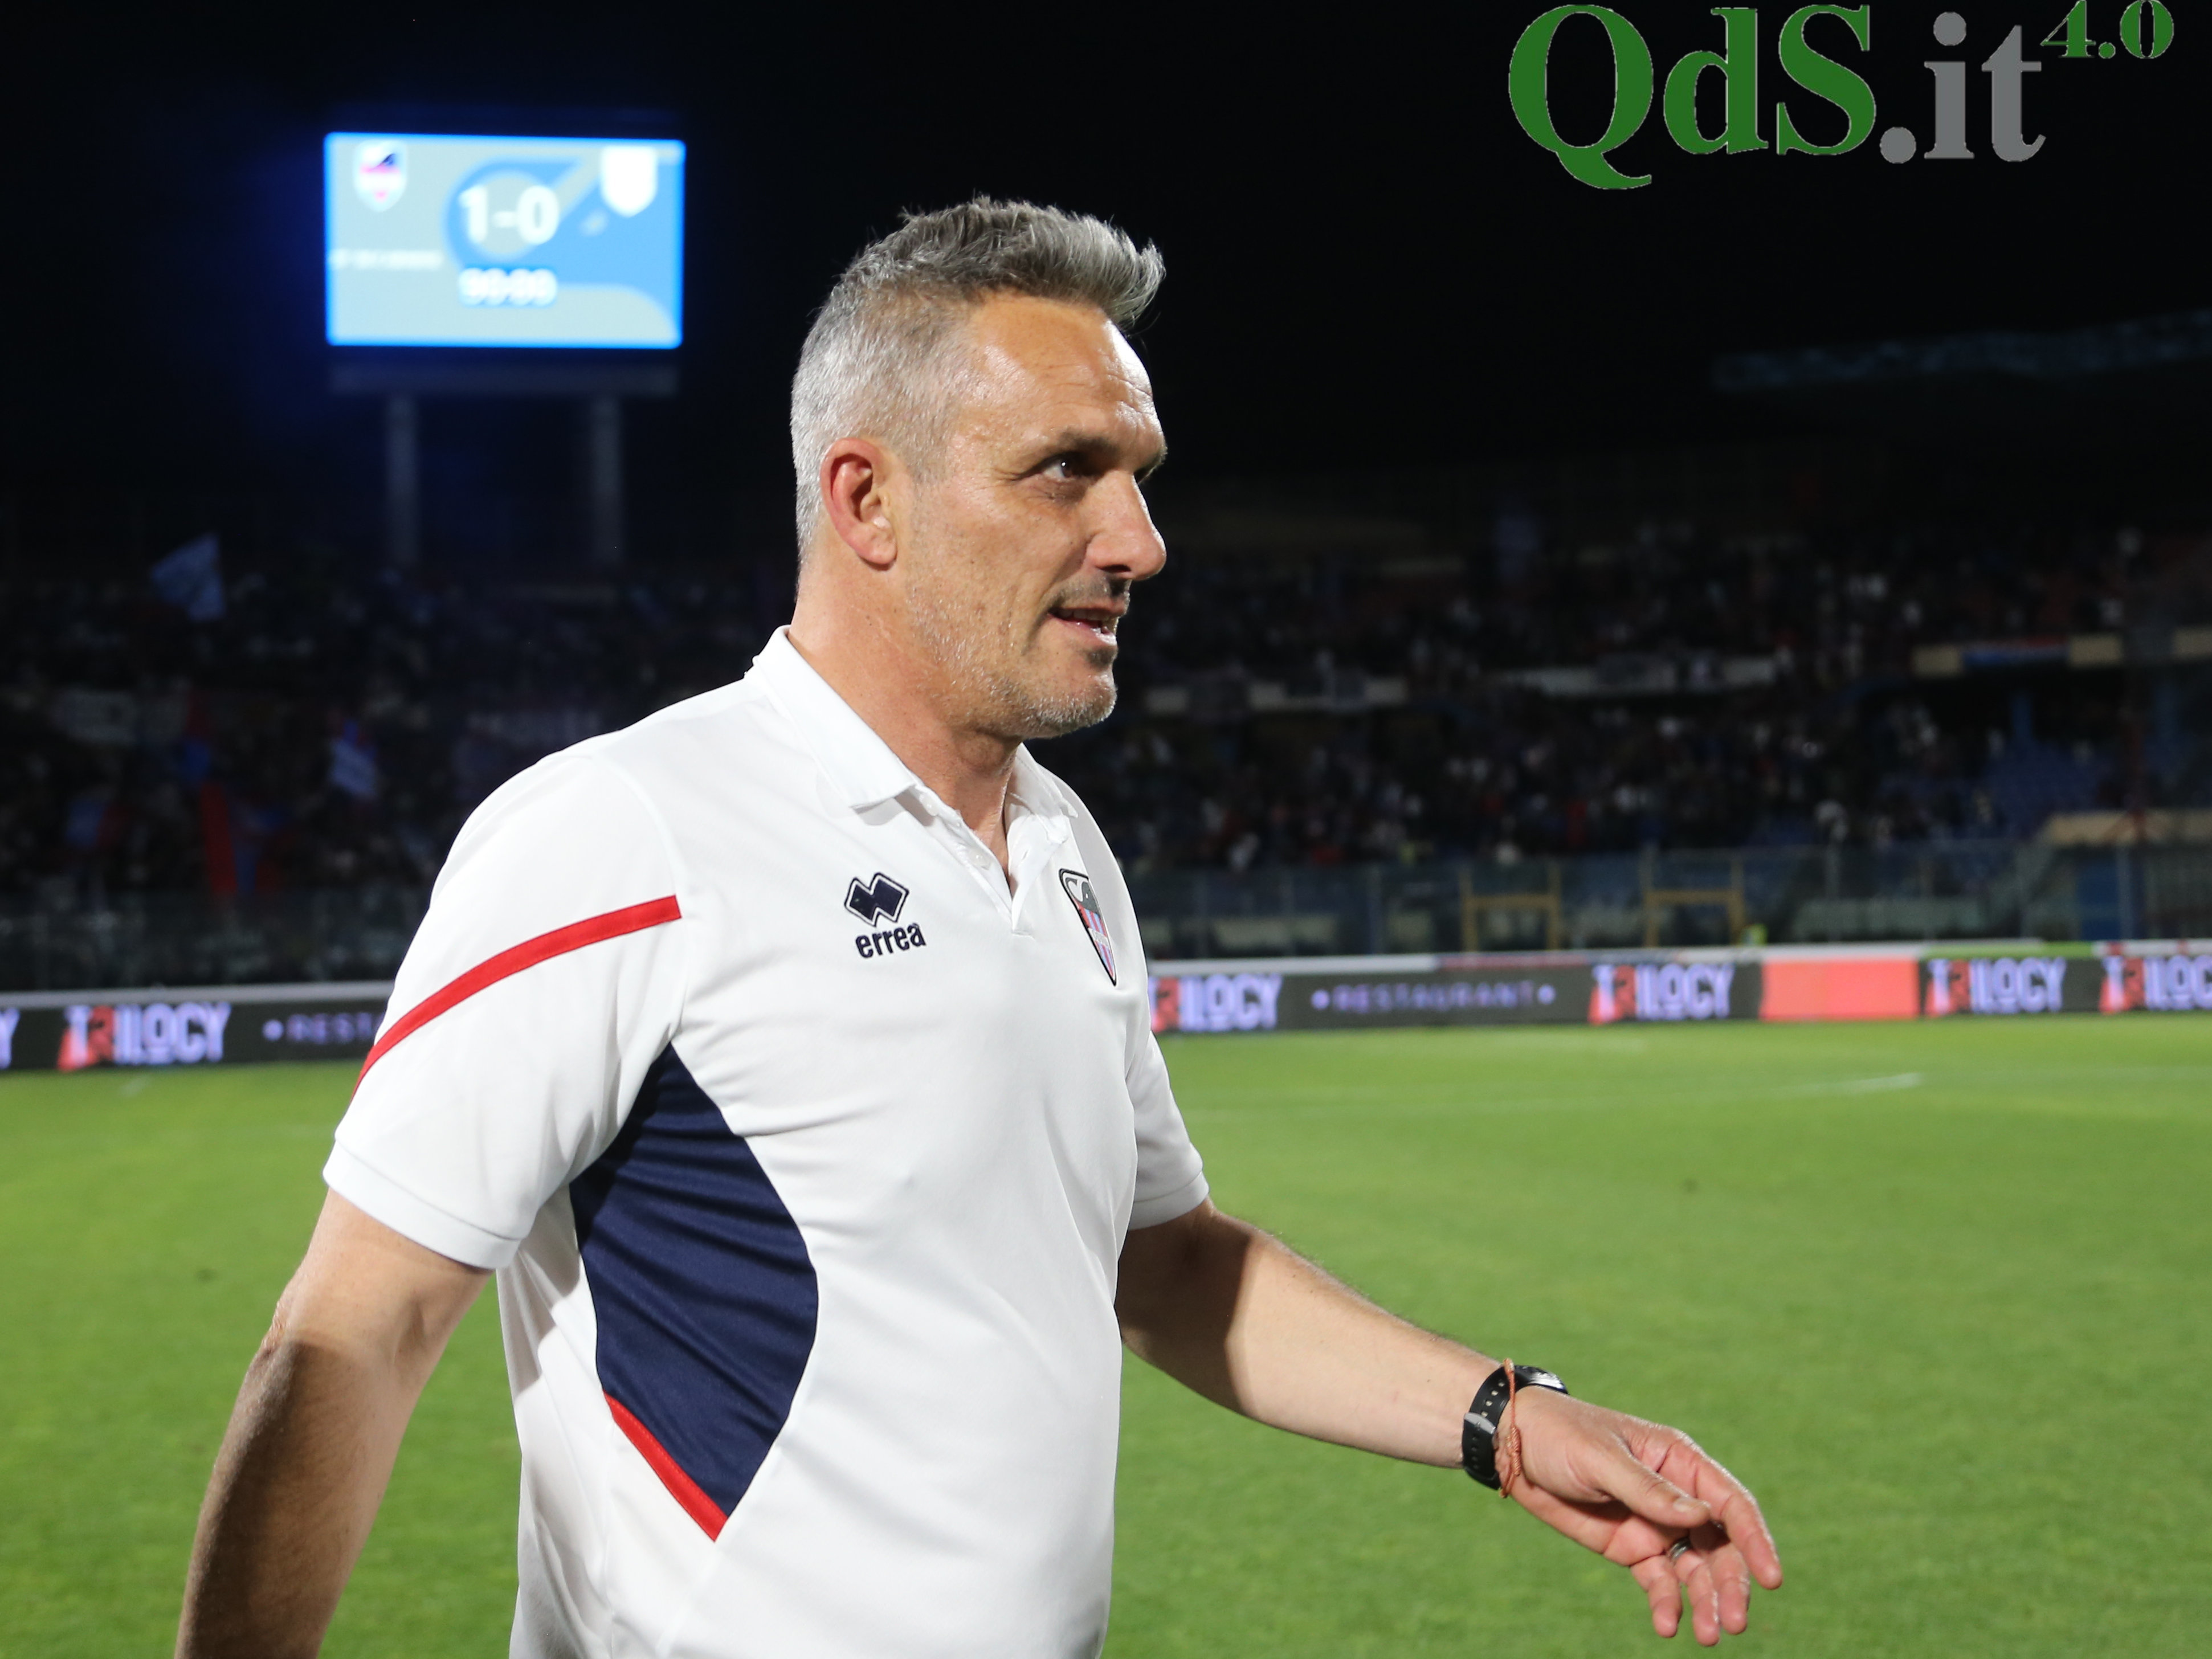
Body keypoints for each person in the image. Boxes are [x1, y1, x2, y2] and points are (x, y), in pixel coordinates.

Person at [176, 199, 1781, 1658]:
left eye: (1139, 476)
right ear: (867, 498)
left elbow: (1159, 1262)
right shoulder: (620, 831)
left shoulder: (1066, 847)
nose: (1140, 542)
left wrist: (1501, 1417)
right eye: (1066, 470)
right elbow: (352, 1333)